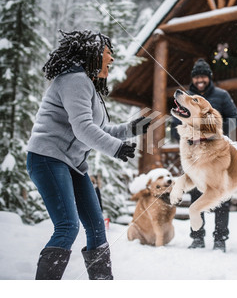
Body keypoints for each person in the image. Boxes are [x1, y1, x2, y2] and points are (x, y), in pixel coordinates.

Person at [26, 30, 152, 280]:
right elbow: (83, 129)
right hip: (48, 158)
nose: (112, 59)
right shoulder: (74, 80)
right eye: (108, 53)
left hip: (71, 164)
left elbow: (98, 128)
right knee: (67, 227)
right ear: (92, 53)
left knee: (96, 227)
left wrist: (129, 130)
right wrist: (116, 148)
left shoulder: (88, 86)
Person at [171, 58, 237, 252]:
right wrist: (181, 137)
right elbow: (174, 120)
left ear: (209, 78)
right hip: (193, 151)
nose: (200, 80)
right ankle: (197, 237)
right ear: (193, 78)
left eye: (203, 76)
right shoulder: (187, 97)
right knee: (194, 194)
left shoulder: (221, 95)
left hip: (215, 151)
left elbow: (234, 118)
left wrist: (215, 129)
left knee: (220, 195)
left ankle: (220, 239)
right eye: (196, 76)